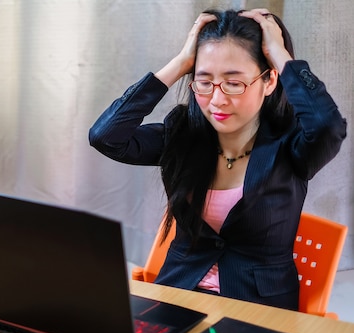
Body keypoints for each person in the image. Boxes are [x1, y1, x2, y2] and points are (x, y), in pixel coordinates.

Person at [88, 8, 347, 310]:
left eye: (234, 83)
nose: (217, 99)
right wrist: (180, 63)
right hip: (177, 298)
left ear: (270, 81)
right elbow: (105, 136)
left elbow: (328, 127)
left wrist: (279, 55)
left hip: (256, 312)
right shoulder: (183, 135)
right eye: (204, 81)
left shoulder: (291, 146)